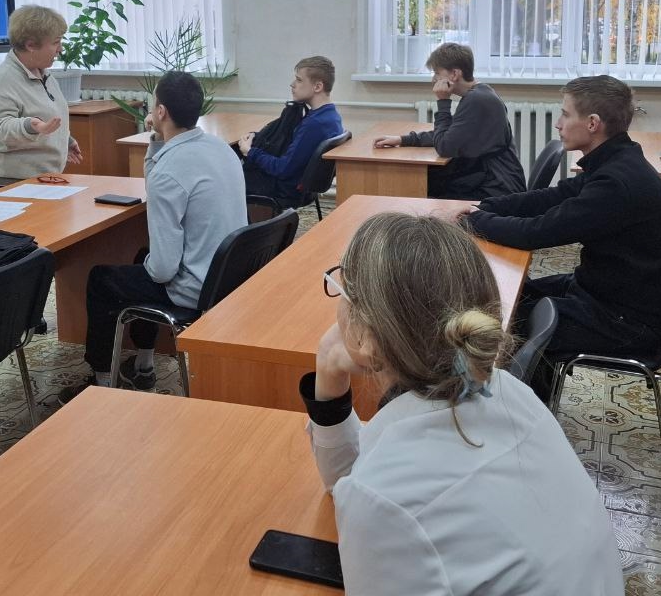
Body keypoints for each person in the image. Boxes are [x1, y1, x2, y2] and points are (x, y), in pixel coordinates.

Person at [302, 212, 623, 596]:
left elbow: (361, 492)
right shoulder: (510, 392)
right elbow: (347, 483)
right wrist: (329, 371)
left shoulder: (385, 495)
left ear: (364, 336)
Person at [464, 76, 661, 402]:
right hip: (602, 293)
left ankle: (524, 413)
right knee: (513, 297)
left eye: (565, 114)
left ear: (592, 123)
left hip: (627, 322)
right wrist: (484, 206)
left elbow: (537, 232)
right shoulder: (613, 161)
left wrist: (475, 220)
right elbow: (550, 198)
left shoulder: (615, 183)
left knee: (509, 320)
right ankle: (533, 397)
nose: (558, 123)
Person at [66, 71, 246, 399]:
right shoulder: (220, 148)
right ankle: (144, 365)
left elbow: (163, 270)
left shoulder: (170, 172)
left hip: (196, 288)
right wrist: (156, 139)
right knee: (141, 257)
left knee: (101, 279)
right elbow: (158, 180)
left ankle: (102, 381)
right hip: (228, 277)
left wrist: (153, 264)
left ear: (160, 111)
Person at [375, 43, 525, 199]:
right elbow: (450, 134)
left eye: (437, 73)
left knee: (423, 188)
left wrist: (443, 102)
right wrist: (403, 140)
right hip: (489, 178)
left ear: (454, 74)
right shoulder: (479, 93)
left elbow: (444, 146)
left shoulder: (476, 100)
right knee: (428, 182)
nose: (433, 79)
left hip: (497, 188)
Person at [0, 5, 82, 190]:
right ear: (31, 45)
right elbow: (0, 129)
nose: (60, 49)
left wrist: (64, 140)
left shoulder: (43, 74)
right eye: (56, 42)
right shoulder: (2, 80)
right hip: (9, 181)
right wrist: (31, 126)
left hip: (41, 178)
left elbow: (47, 117)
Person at [237, 55, 344, 207]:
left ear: (317, 87)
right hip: (303, 189)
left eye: (299, 80)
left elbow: (282, 169)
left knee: (230, 179)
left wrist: (250, 152)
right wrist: (259, 137)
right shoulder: (330, 116)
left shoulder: (314, 124)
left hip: (285, 191)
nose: (292, 84)